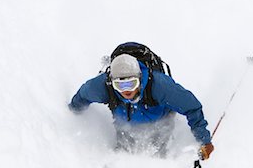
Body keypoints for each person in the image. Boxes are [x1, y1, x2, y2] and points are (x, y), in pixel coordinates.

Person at [68, 43, 214, 160]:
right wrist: (73, 112)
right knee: (123, 153)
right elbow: (82, 96)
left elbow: (191, 107)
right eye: (120, 85)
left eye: (131, 84)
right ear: (111, 82)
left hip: (161, 119)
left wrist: (204, 140)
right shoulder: (101, 87)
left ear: (139, 78)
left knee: (159, 154)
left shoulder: (160, 86)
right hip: (124, 123)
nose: (126, 91)